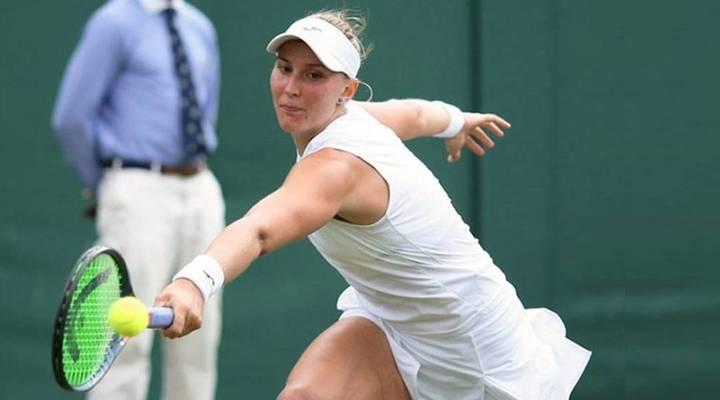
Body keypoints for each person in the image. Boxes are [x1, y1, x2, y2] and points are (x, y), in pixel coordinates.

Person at [155, 9, 591, 400]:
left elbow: (260, 228)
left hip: (473, 354)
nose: (290, 88)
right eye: (284, 68)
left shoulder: (336, 168)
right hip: (392, 323)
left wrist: (195, 282)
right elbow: (417, 115)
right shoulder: (359, 116)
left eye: (313, 76)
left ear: (347, 88)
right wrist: (458, 121)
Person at [51, 0, 223, 399]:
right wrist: (109, 182)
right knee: (124, 335)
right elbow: (71, 117)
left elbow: (207, 105)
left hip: (200, 188)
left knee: (199, 332)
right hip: (138, 188)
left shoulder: (199, 25)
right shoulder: (113, 23)